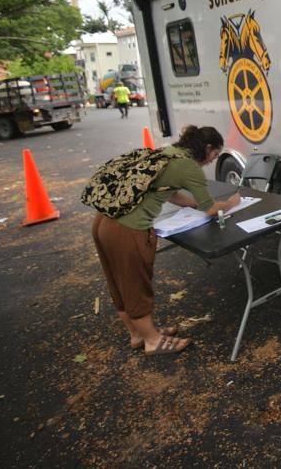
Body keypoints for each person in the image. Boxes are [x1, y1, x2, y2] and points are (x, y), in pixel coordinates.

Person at [91, 125, 241, 355]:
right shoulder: (190, 166)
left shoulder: (168, 152)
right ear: (208, 148)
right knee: (135, 285)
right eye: (215, 155)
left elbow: (169, 192)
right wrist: (232, 202)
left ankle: (138, 334)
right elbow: (211, 209)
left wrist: (192, 203)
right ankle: (153, 341)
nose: (213, 160)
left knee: (118, 283)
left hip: (104, 221)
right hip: (128, 228)